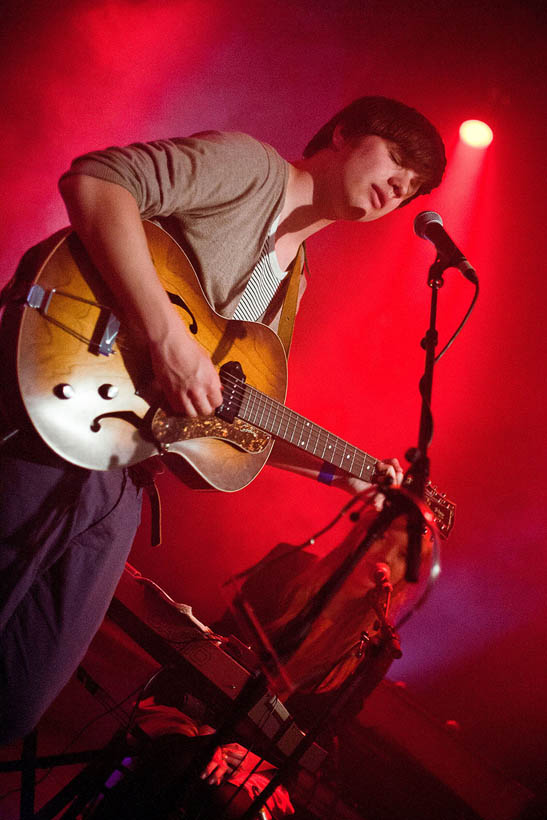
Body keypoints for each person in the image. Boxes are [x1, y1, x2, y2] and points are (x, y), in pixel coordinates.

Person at [0, 96, 446, 745]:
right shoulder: (250, 169)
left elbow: (233, 408)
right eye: (396, 159)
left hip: (125, 471)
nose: (397, 188)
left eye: (410, 189)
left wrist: (344, 474)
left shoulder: (294, 279)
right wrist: (167, 339)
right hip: (59, 417)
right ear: (343, 131)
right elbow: (95, 180)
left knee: (18, 698)